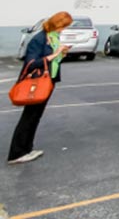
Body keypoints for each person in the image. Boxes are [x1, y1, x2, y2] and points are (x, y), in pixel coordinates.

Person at [8, 11, 70, 164]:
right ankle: (17, 153)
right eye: (63, 26)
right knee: (29, 117)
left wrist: (62, 53)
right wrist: (55, 54)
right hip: (36, 83)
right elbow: (31, 63)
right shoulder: (39, 39)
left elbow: (53, 60)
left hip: (48, 80)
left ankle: (27, 149)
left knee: (35, 116)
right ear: (57, 24)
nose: (64, 30)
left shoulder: (53, 37)